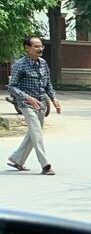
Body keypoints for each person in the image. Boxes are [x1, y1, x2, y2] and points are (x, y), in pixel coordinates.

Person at [7, 36, 60, 175]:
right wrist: (28, 98)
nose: (40, 49)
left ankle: (16, 159)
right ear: (27, 48)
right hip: (26, 104)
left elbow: (48, 84)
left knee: (33, 133)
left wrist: (54, 99)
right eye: (36, 46)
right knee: (37, 132)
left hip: (41, 103)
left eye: (41, 46)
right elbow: (12, 87)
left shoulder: (43, 63)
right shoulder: (20, 64)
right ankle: (45, 165)